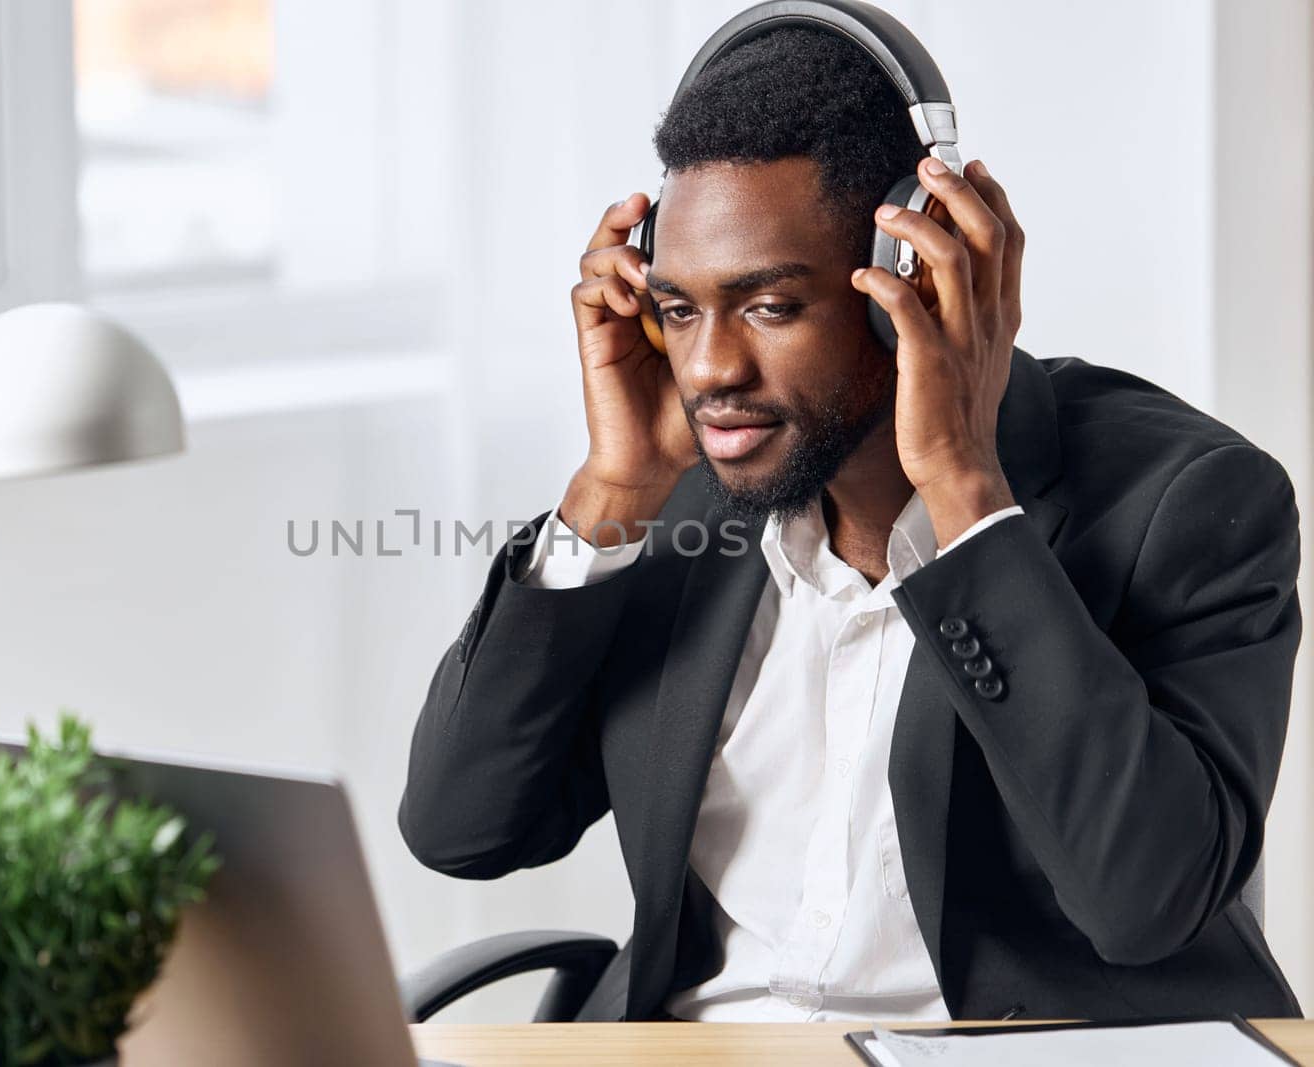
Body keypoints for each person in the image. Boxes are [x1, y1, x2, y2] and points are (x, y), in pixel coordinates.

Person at [398, 21, 1302, 1023]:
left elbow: (1145, 903)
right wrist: (612, 488)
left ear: (908, 271)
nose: (708, 372)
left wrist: (964, 496)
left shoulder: (1187, 500)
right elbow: (462, 828)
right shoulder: (688, 497)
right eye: (681, 309)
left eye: (770, 306)